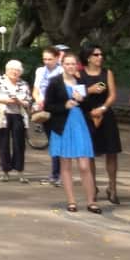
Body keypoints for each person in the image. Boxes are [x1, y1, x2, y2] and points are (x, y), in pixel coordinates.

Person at [43, 52, 98, 213]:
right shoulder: (55, 82)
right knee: (65, 165)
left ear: (77, 65)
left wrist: (82, 100)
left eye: (73, 64)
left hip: (80, 125)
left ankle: (91, 201)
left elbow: (89, 107)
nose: (70, 67)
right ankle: (71, 201)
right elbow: (48, 106)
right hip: (62, 126)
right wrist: (64, 106)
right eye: (67, 64)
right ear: (62, 65)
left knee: (84, 165)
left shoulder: (81, 82)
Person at [80, 44, 121, 205]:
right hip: (87, 115)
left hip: (106, 115)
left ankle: (112, 187)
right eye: (96, 55)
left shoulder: (107, 73)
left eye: (101, 54)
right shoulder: (80, 74)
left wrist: (103, 108)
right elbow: (77, 94)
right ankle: (93, 186)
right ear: (88, 57)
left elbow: (112, 95)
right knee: (90, 154)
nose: (100, 57)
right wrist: (89, 90)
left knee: (112, 152)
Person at [0, 60, 32, 183]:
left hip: (18, 115)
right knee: (3, 144)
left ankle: (20, 171)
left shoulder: (24, 84)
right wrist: (6, 100)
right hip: (2, 115)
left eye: (17, 70)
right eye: (12, 70)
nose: (14, 72)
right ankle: (5, 171)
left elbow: (29, 101)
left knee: (19, 144)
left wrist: (19, 101)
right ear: (7, 70)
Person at [32, 45, 65, 185]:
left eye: (50, 59)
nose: (47, 62)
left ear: (57, 58)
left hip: (58, 110)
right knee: (52, 141)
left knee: (60, 142)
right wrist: (38, 99)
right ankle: (55, 173)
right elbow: (35, 90)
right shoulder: (40, 71)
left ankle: (61, 174)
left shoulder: (62, 71)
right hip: (44, 109)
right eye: (44, 59)